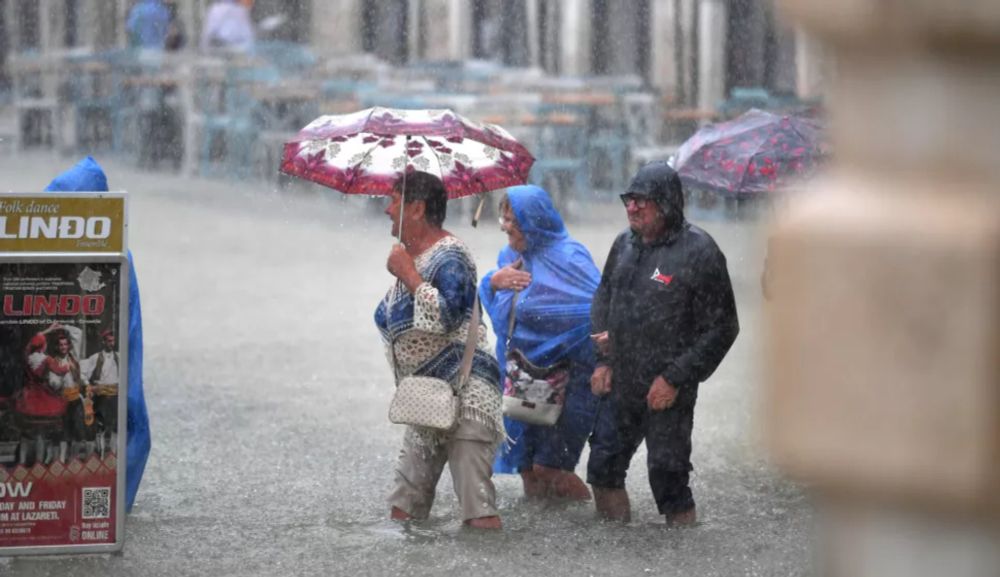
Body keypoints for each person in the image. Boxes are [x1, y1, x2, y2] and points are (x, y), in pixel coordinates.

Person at [587, 161, 739, 525]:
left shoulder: (699, 252)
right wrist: (602, 360)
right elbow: (602, 298)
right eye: (629, 199)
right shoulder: (623, 245)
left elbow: (724, 328)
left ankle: (680, 557)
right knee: (603, 467)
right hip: (621, 377)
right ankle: (616, 551)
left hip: (668, 385)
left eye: (642, 200)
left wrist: (674, 377)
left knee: (668, 477)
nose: (632, 207)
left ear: (667, 203)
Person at [374, 171, 504, 529]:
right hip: (426, 399)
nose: (387, 210)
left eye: (394, 201)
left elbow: (447, 316)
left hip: (467, 396)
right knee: (404, 509)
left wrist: (409, 275)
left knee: (477, 512)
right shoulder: (415, 256)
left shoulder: (452, 256)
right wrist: (407, 270)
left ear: (416, 209)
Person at [479, 185, 602, 501]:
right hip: (521, 377)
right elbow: (498, 317)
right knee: (528, 471)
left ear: (533, 221)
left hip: (571, 378)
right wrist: (494, 282)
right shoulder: (510, 258)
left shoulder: (570, 256)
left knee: (552, 470)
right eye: (503, 218)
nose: (505, 226)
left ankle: (594, 531)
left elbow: (598, 312)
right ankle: (541, 538)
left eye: (512, 220)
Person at [45, 156, 151, 512]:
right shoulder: (117, 257)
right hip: (84, 385)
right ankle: (109, 509)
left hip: (95, 384)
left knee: (111, 421)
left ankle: (99, 510)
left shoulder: (117, 261)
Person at [81, 328, 120, 457]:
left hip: (116, 395)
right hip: (101, 396)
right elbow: (81, 372)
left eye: (113, 341)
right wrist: (89, 386)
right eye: (109, 341)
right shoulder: (95, 358)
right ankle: (101, 455)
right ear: (103, 342)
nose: (111, 343)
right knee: (100, 426)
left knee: (116, 425)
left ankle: (113, 454)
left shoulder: (119, 357)